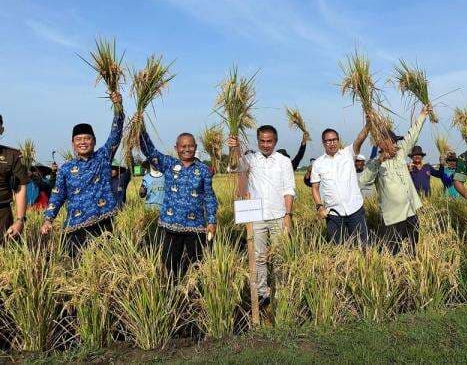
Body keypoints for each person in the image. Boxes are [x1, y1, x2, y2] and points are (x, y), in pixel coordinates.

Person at [41, 92, 124, 256]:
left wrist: (118, 108)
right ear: (73, 144)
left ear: (94, 141)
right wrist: (48, 220)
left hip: (103, 224)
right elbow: (57, 195)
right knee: (75, 270)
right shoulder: (66, 169)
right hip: (75, 228)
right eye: (78, 139)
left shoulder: (103, 157)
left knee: (106, 267)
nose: (83, 142)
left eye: (87, 138)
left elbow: (116, 134)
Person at [227, 125, 295, 308]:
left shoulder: (283, 161)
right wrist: (234, 147)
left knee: (281, 255)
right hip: (256, 216)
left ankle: (282, 292)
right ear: (258, 141)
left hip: (279, 215)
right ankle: (263, 293)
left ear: (275, 141)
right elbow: (234, 166)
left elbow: (289, 189)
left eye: (269, 141)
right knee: (258, 256)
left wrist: (288, 215)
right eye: (262, 141)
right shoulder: (250, 159)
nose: (266, 145)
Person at [139, 120, 218, 276]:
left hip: (195, 225)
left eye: (191, 146)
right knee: (169, 262)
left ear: (195, 147)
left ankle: (197, 294)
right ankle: (172, 291)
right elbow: (149, 151)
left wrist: (211, 221)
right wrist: (141, 127)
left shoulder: (203, 170)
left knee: (198, 263)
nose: (187, 149)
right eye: (183, 146)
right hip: (171, 225)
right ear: (176, 148)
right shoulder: (169, 164)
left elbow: (209, 196)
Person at [359, 105, 433, 254]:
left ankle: (413, 265)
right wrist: (379, 160)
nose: (396, 145)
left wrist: (422, 115)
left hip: (411, 210)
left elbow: (412, 135)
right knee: (393, 248)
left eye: (396, 143)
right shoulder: (376, 163)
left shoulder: (400, 155)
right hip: (393, 216)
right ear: (383, 144)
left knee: (413, 244)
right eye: (393, 142)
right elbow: (363, 181)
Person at [310, 119, 370, 246]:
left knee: (362, 246)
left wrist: (368, 125)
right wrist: (319, 206)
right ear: (323, 143)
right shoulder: (318, 163)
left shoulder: (348, 153)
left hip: (355, 210)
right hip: (334, 215)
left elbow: (359, 139)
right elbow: (315, 188)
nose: (331, 143)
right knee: (339, 249)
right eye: (328, 141)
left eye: (334, 140)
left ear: (338, 140)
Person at [0, 114, 28, 240]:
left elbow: (20, 188)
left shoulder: (12, 155)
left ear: (1, 130)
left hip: (2, 213)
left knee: (4, 251)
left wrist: (20, 220)